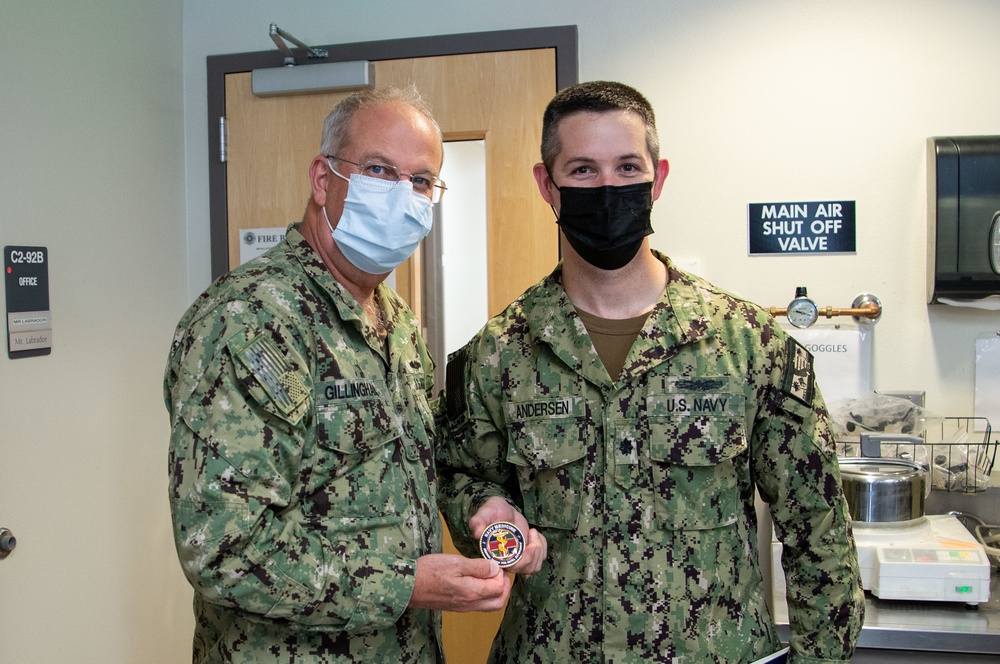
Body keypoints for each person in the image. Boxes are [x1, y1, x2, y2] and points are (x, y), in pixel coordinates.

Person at [437, 81, 865, 663]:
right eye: (583, 170)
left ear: (658, 178)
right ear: (548, 184)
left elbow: (819, 533)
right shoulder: (496, 356)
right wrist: (484, 518)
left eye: (627, 167)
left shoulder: (747, 344)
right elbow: (463, 478)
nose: (608, 188)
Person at [165, 86, 510, 664]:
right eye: (379, 170)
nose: (404, 196)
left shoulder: (396, 322)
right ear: (323, 180)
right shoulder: (251, 322)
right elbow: (222, 550)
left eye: (422, 181)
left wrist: (482, 511)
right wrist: (406, 583)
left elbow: (423, 468)